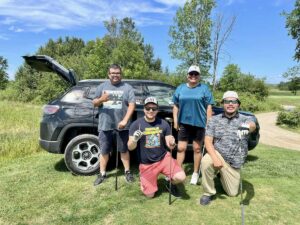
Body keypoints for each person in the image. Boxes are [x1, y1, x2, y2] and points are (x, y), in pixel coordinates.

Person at [199, 91, 257, 206]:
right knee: (205, 162)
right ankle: (208, 192)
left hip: (234, 163)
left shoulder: (245, 118)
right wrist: (215, 159)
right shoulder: (214, 120)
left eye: (233, 101)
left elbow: (252, 125)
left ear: (238, 104)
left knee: (232, 193)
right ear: (222, 104)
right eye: (227, 101)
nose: (230, 104)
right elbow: (208, 141)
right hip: (218, 154)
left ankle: (221, 175)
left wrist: (246, 127)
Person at [128, 97, 186, 198]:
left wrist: (172, 143)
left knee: (181, 177)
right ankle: (145, 180)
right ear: (144, 109)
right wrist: (134, 140)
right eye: (148, 108)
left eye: (154, 108)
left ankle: (170, 182)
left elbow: (170, 144)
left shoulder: (163, 123)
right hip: (147, 164)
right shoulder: (136, 125)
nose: (151, 110)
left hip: (163, 159)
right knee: (149, 195)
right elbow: (130, 147)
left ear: (157, 110)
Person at [93, 64, 135, 186]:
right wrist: (101, 100)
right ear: (108, 74)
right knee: (104, 151)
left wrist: (125, 120)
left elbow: (132, 105)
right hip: (105, 125)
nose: (115, 75)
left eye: (117, 73)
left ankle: (127, 172)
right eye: (113, 73)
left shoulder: (127, 88)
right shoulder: (102, 87)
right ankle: (102, 174)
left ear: (121, 74)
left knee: (124, 150)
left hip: (122, 126)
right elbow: (94, 103)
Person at [173, 65, 214, 185]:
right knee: (181, 148)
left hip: (199, 124)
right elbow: (175, 105)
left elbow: (209, 107)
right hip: (184, 124)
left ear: (199, 76)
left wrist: (208, 123)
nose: (193, 76)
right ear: (187, 75)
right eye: (191, 74)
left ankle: (195, 173)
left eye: (196, 74)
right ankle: (177, 170)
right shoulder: (180, 88)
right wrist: (176, 121)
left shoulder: (204, 89)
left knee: (197, 149)